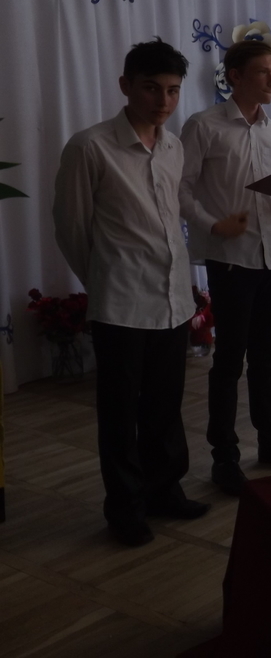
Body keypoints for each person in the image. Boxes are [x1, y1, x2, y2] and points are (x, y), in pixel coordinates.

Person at [53, 39, 209, 547]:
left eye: (172, 91)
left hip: (172, 299)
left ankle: (165, 491)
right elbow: (72, 228)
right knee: (120, 412)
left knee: (165, 405)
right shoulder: (90, 147)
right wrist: (104, 277)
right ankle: (125, 507)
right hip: (121, 300)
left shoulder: (173, 146)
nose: (163, 101)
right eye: (151, 88)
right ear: (125, 86)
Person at [179, 40, 271, 497]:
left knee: (265, 355)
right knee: (229, 359)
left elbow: (269, 199)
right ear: (235, 76)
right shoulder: (204, 126)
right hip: (232, 260)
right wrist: (211, 225)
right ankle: (224, 456)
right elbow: (180, 189)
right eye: (263, 72)